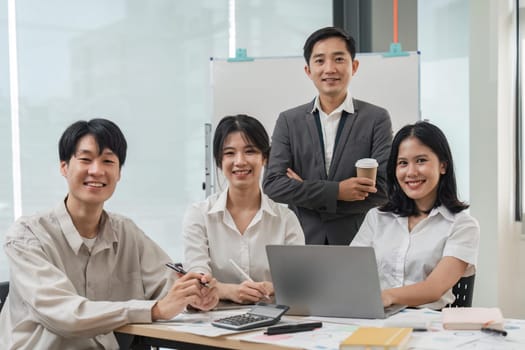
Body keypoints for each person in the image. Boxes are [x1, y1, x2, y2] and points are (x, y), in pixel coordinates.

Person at [0, 118, 219, 349]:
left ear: (119, 173)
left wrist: (195, 295)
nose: (97, 170)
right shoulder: (27, 236)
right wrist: (154, 309)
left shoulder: (125, 232)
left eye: (108, 161)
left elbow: (167, 284)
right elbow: (65, 315)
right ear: (64, 166)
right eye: (85, 159)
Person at [263, 26, 393, 245]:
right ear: (308, 70)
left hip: (358, 240)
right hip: (300, 239)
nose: (329, 68)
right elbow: (274, 185)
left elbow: (383, 189)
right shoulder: (289, 121)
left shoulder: (376, 119)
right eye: (320, 60)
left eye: (339, 59)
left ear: (354, 66)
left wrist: (304, 190)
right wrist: (338, 192)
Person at [350, 121, 480, 310]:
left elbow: (433, 288)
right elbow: (351, 271)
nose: (411, 172)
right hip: (377, 319)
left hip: (430, 325)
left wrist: (387, 296)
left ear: (443, 165)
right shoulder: (376, 217)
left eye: (421, 160)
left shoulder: (462, 225)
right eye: (403, 163)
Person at [183, 114, 305, 304]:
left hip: (273, 323)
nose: (240, 161)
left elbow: (299, 282)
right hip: (213, 324)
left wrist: (271, 287)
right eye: (230, 153)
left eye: (250, 151)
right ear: (219, 160)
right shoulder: (199, 215)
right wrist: (231, 291)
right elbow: (198, 279)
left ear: (264, 158)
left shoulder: (286, 219)